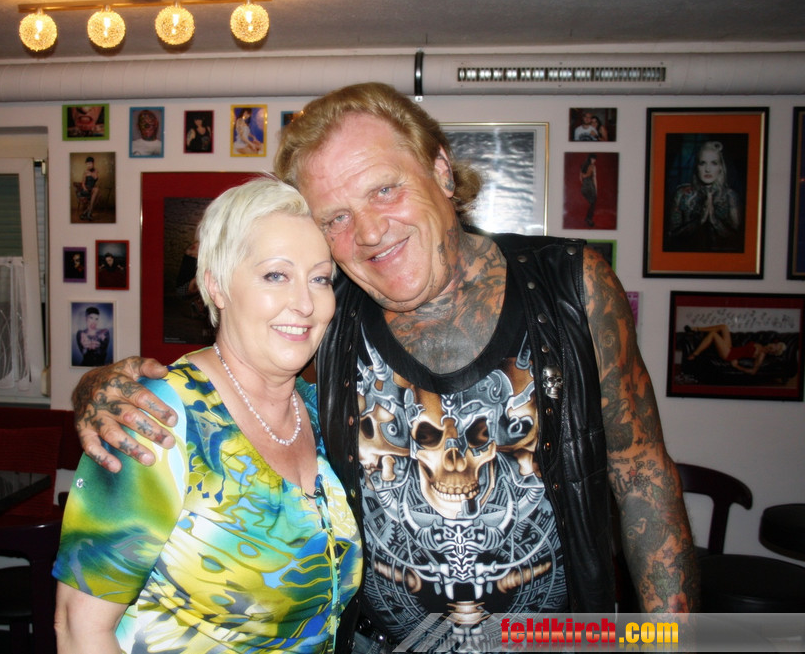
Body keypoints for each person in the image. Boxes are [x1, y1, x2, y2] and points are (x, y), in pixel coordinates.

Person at [72, 83, 698, 652]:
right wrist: (100, 388)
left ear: (441, 172)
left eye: (383, 189)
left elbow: (641, 472)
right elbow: (238, 375)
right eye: (336, 218)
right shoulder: (327, 314)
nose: (369, 232)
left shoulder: (570, 287)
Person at [54, 177, 362, 653]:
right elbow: (80, 630)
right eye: (275, 275)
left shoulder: (322, 412)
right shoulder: (156, 417)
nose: (305, 303)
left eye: (319, 279)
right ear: (216, 284)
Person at [666, 140, 742, 252]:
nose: (707, 169)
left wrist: (714, 221)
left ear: (721, 167)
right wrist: (699, 221)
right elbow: (671, 236)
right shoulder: (682, 194)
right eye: (702, 163)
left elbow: (738, 240)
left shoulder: (731, 197)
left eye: (714, 163)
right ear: (696, 166)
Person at [684, 323, 787, 374]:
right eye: (775, 345)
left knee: (713, 334)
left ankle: (695, 354)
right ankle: (696, 329)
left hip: (728, 355)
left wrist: (737, 366)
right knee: (724, 327)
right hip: (731, 349)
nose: (773, 348)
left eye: (775, 349)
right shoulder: (760, 345)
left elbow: (753, 371)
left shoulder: (761, 355)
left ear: (773, 352)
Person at [73, 156, 99, 221]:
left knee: (98, 195)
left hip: (92, 189)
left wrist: (90, 173)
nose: (88, 165)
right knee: (97, 190)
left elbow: (95, 178)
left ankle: (85, 213)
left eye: (90, 163)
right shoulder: (85, 172)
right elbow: (83, 183)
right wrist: (84, 188)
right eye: (87, 164)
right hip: (86, 189)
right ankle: (89, 212)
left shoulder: (96, 171)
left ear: (93, 163)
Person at [579, 153, 598, 227]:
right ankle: (588, 219)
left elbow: (580, 178)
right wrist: (596, 188)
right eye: (593, 159)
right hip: (590, 186)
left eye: (595, 159)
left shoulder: (583, 166)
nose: (594, 160)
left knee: (591, 203)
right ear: (590, 159)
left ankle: (588, 218)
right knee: (593, 202)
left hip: (584, 186)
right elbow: (594, 178)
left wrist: (584, 183)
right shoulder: (592, 167)